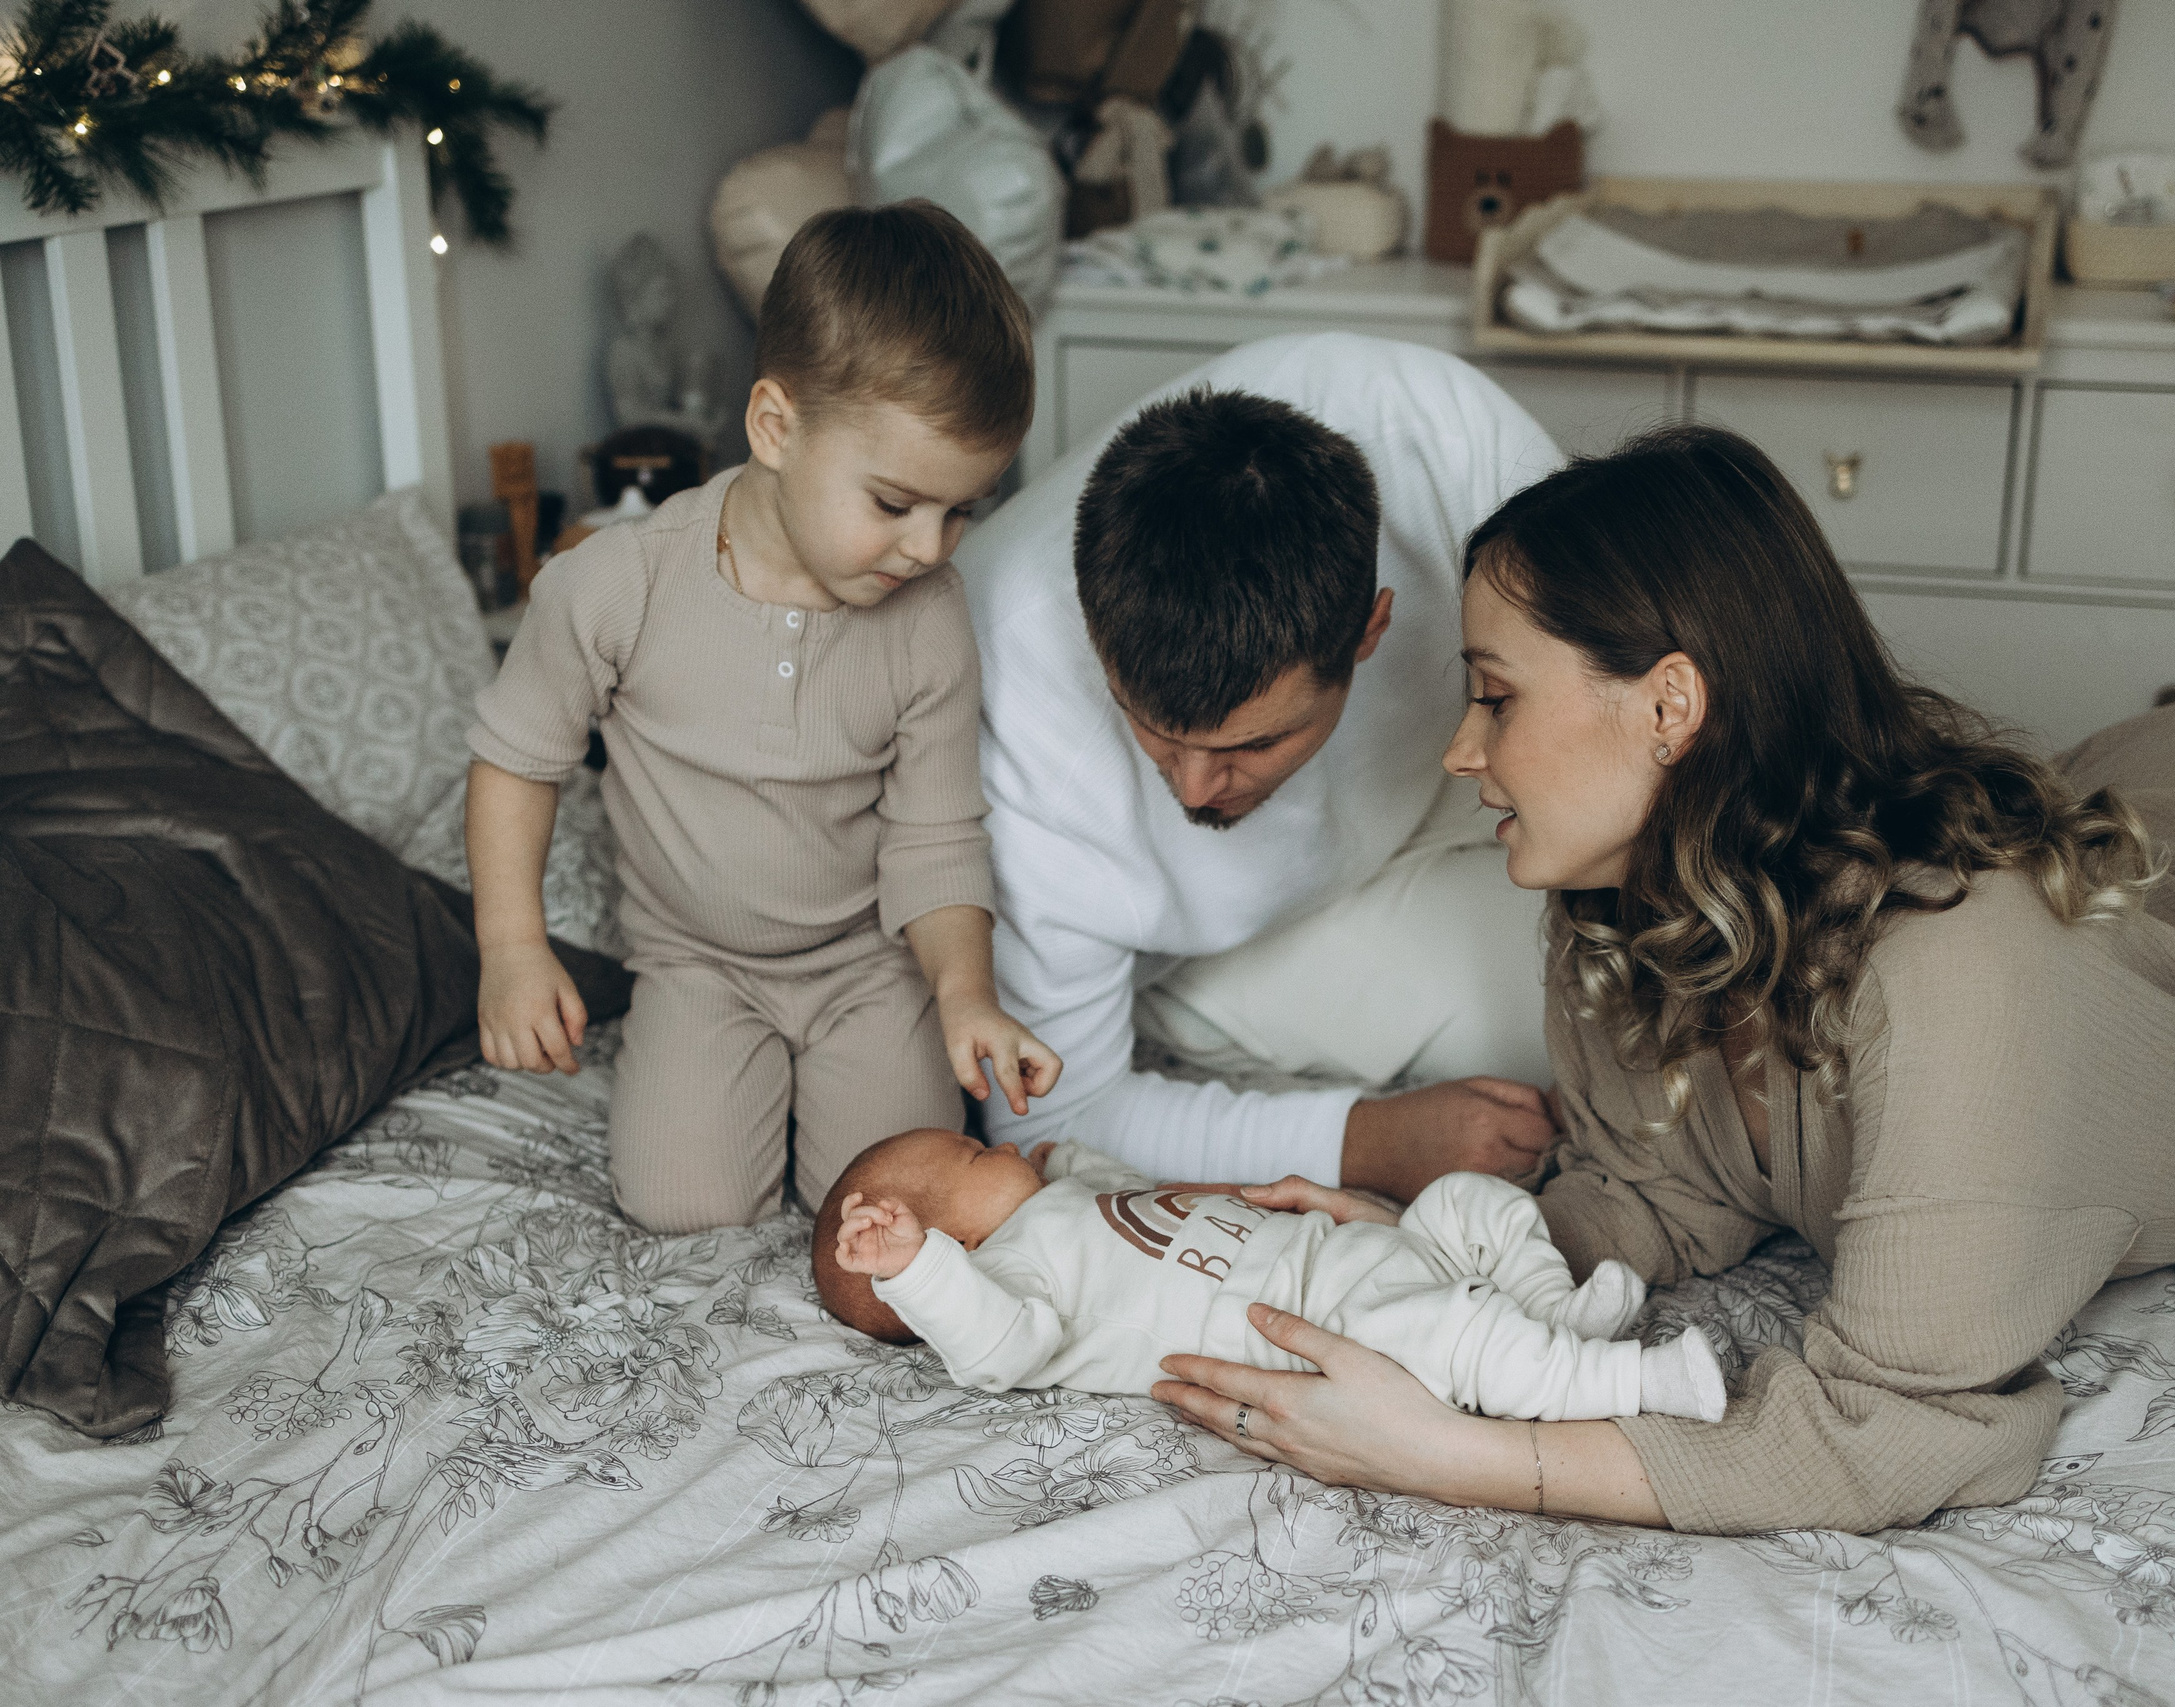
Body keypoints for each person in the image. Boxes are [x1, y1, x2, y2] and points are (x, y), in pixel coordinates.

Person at [1152, 424, 2175, 1535]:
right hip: (2154, 790)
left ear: (1670, 703)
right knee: (2042, 834)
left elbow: (1905, 1422)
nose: (1462, 751)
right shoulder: (1617, 890)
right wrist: (1429, 1240)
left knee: (2037, 899)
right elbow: (1662, 1187)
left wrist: (1458, 1453)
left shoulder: (1961, 968)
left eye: (1496, 695)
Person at [467, 203, 1061, 1234]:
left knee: (896, 1209)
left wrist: (962, 993)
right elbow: (517, 761)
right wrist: (513, 947)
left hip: (868, 967)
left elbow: (934, 834)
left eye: (961, 510)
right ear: (775, 428)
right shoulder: (617, 585)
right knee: (682, 1207)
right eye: (894, 504)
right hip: (697, 965)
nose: (929, 547)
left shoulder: (927, 617)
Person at [957, 332, 1565, 1198]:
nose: (1197, 789)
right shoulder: (1010, 718)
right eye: (1158, 732)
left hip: (1448, 798)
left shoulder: (1446, 444)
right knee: (1567, 1038)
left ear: (1370, 630)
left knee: (1682, 1000)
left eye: (1252, 745)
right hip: (1218, 949)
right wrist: (1370, 1141)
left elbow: (1616, 697)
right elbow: (1052, 1118)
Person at [813, 1127, 1725, 1422]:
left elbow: (1135, 1197)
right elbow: (994, 1350)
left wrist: (1069, 1156)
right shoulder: (1008, 1279)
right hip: (1320, 1323)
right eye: (979, 1152)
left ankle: (1553, 1309)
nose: (1002, 1142)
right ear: (954, 1244)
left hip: (1351, 1250)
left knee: (1467, 1202)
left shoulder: (1060, 1198)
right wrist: (914, 1272)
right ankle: (1632, 1382)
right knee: (1455, 1337)